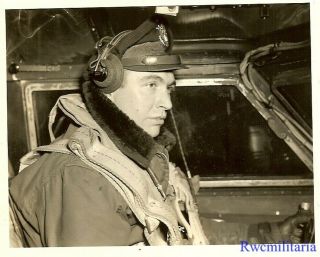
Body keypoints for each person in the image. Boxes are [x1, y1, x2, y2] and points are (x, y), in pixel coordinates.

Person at [9, 16, 311, 247]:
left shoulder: (132, 158)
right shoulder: (80, 177)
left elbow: (176, 231)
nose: (166, 102)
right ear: (108, 90)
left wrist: (265, 235)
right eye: (151, 84)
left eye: (169, 87)